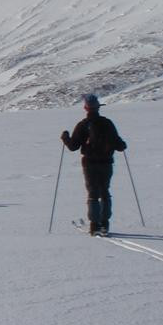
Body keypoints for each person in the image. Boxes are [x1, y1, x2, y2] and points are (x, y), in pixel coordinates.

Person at [61, 94, 127, 235]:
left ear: (86, 108)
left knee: (93, 193)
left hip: (90, 164)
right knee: (104, 191)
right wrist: (122, 144)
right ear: (98, 107)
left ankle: (94, 225)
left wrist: (65, 138)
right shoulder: (108, 123)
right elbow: (119, 145)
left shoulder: (83, 125)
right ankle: (105, 224)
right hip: (106, 163)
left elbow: (73, 146)